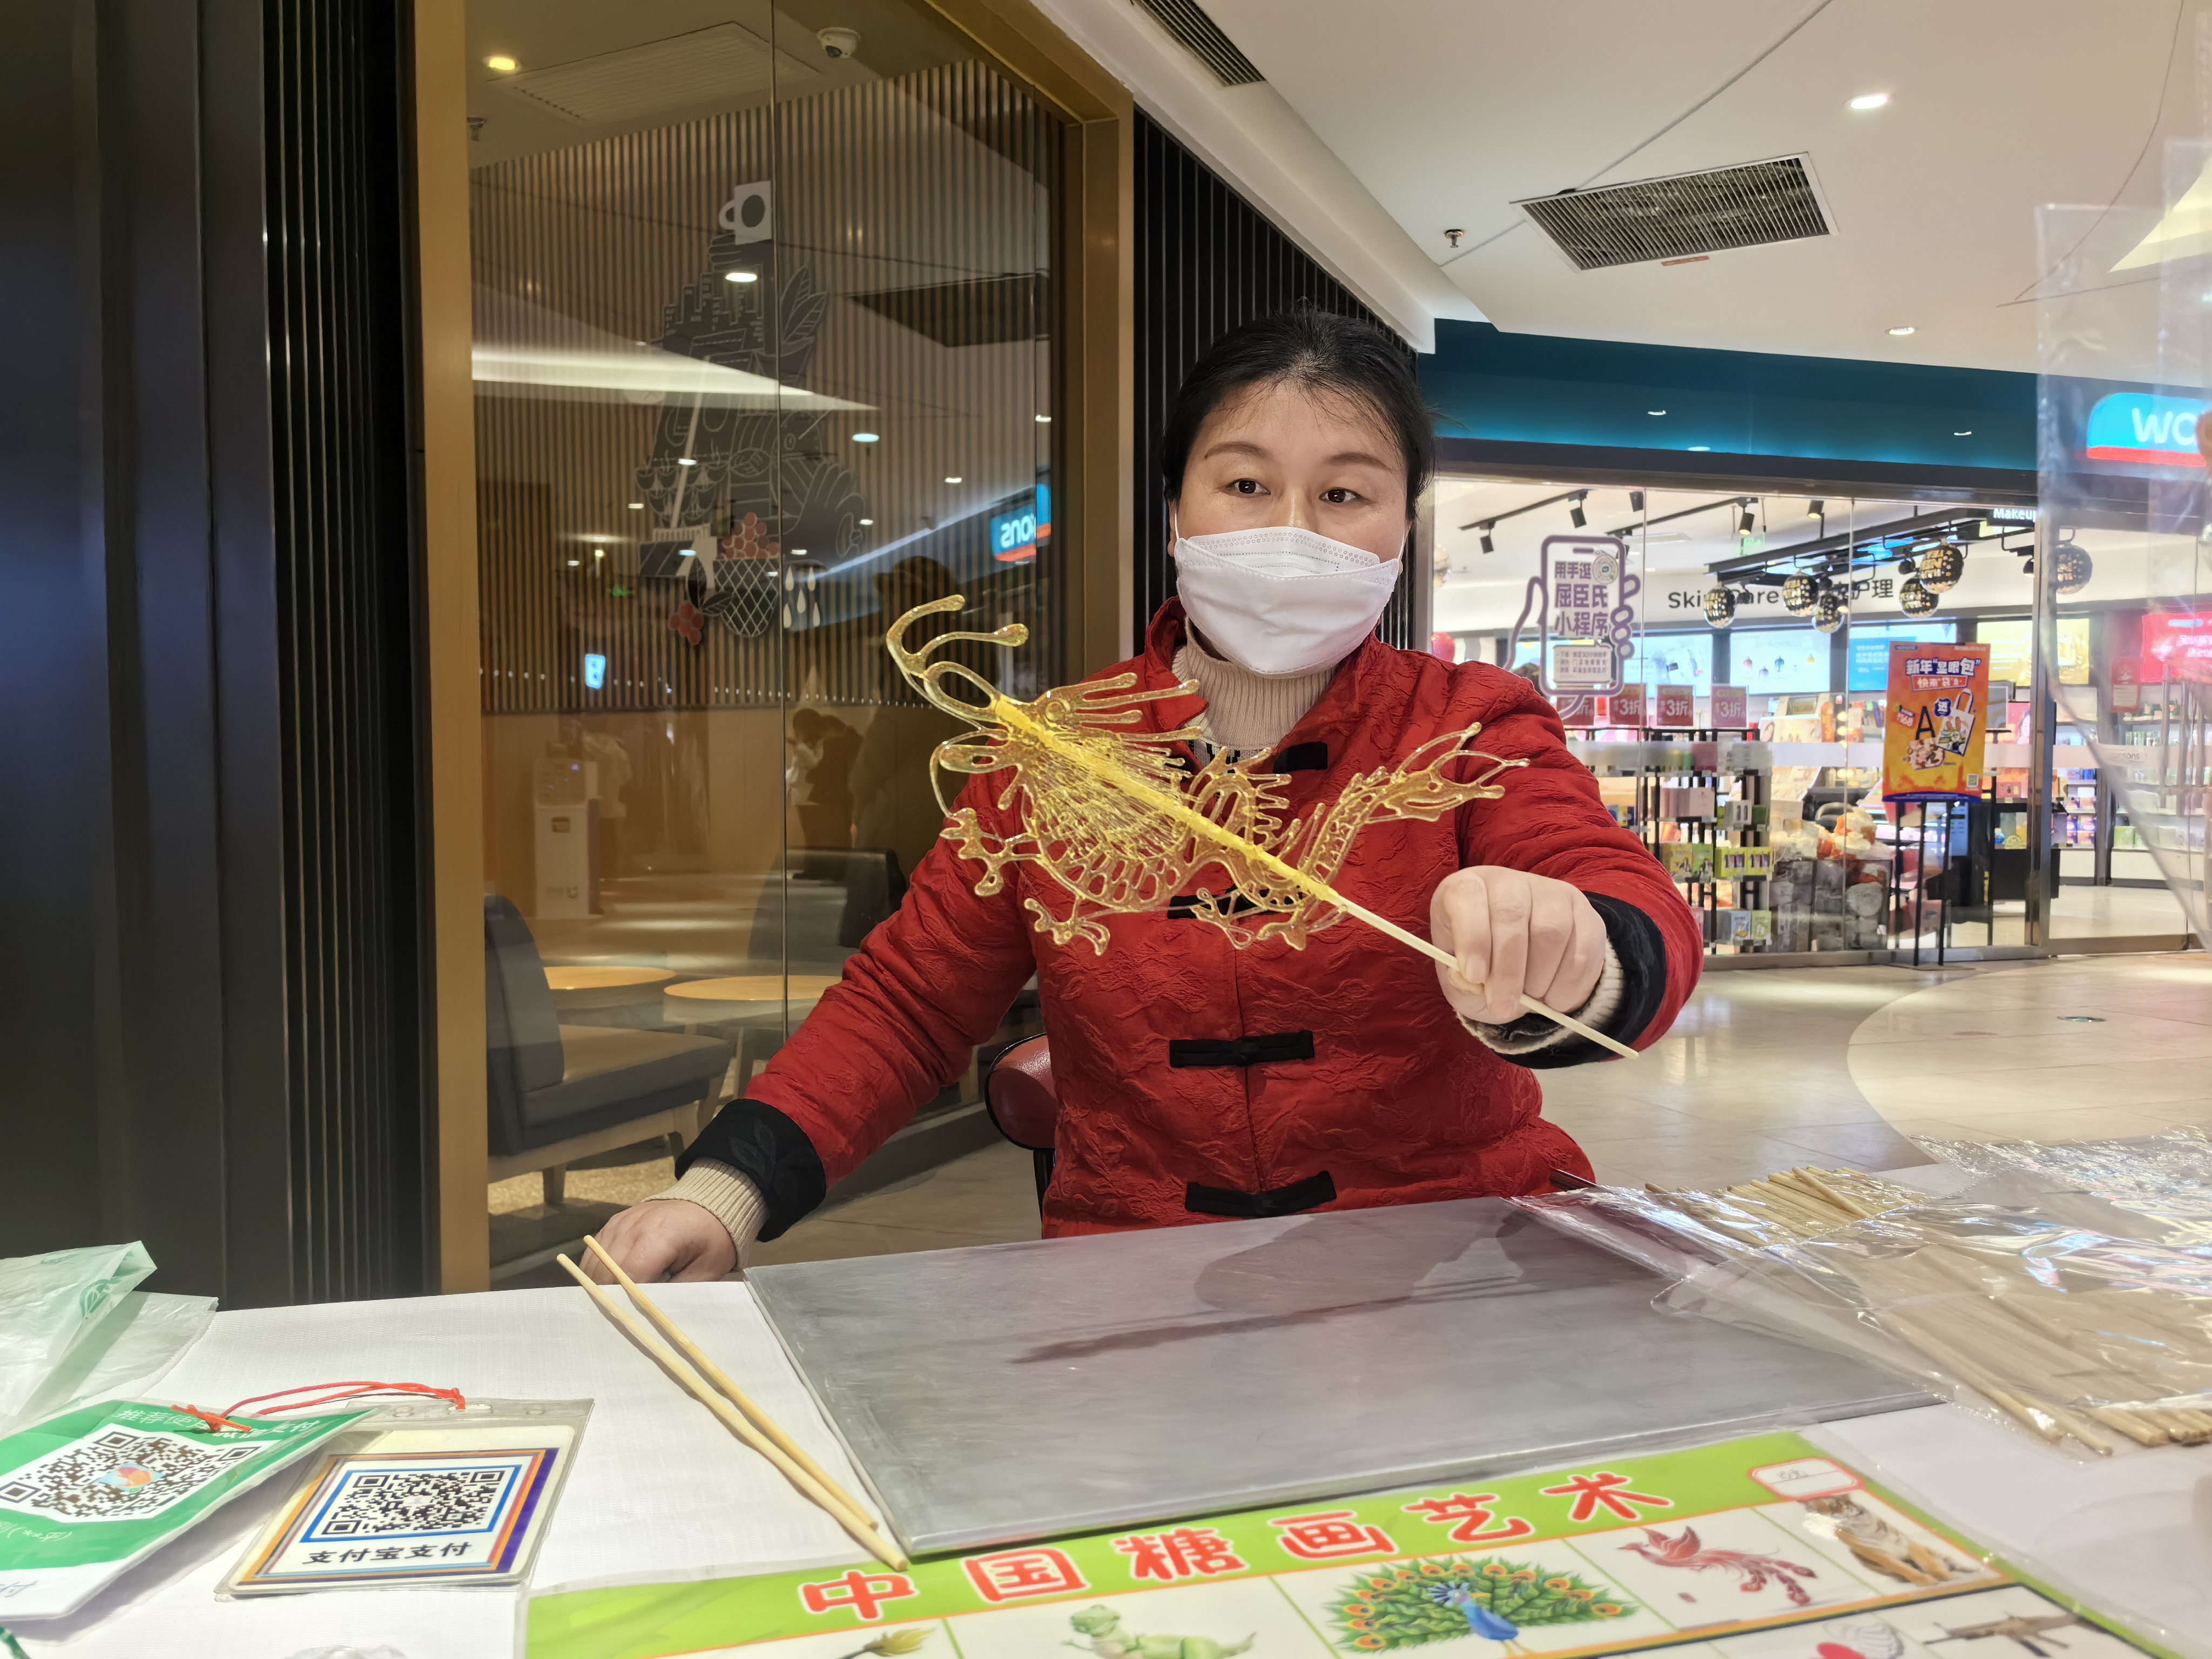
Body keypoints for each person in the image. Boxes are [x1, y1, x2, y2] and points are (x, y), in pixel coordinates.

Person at [591, 310, 1702, 1282]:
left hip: (1454, 1257)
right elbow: (909, 1002)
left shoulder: (1468, 724)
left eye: (1344, 493)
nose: (1291, 530)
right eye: (1246, 485)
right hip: (1140, 1275)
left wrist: (1577, 950)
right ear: (1176, 509)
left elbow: (1618, 894)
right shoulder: (1053, 754)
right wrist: (723, 1192)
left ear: (1401, 531)